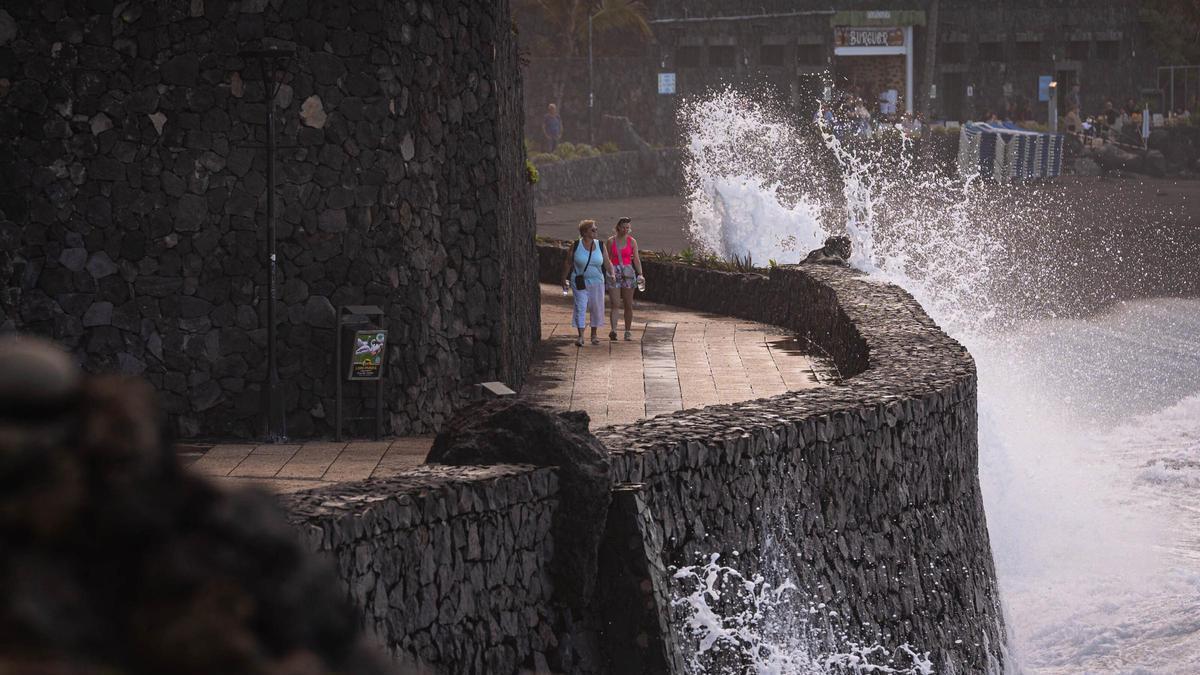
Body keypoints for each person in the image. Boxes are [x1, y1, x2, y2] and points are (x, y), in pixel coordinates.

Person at [560, 219, 613, 346]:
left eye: (596, 229)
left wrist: (612, 273)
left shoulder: (600, 245)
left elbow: (606, 262)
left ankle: (594, 334)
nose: (596, 231)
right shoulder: (576, 245)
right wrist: (563, 278)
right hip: (579, 281)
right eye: (592, 229)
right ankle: (581, 336)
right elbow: (568, 262)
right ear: (584, 232)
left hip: (597, 282)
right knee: (580, 307)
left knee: (596, 307)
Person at [605, 217, 644, 341]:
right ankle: (614, 330)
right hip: (614, 272)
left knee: (628, 304)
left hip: (628, 272)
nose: (626, 230)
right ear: (618, 227)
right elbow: (607, 259)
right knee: (615, 303)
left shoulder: (632, 242)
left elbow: (636, 259)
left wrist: (640, 274)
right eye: (623, 227)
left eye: (628, 227)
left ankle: (627, 331)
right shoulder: (611, 241)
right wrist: (609, 272)